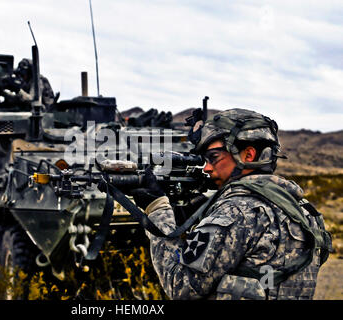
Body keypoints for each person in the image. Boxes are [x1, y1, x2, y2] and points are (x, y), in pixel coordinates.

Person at [126, 108, 332, 300]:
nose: (206, 168)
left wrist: (158, 210)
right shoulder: (301, 207)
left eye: (213, 158)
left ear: (248, 155)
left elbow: (180, 286)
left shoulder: (237, 211)